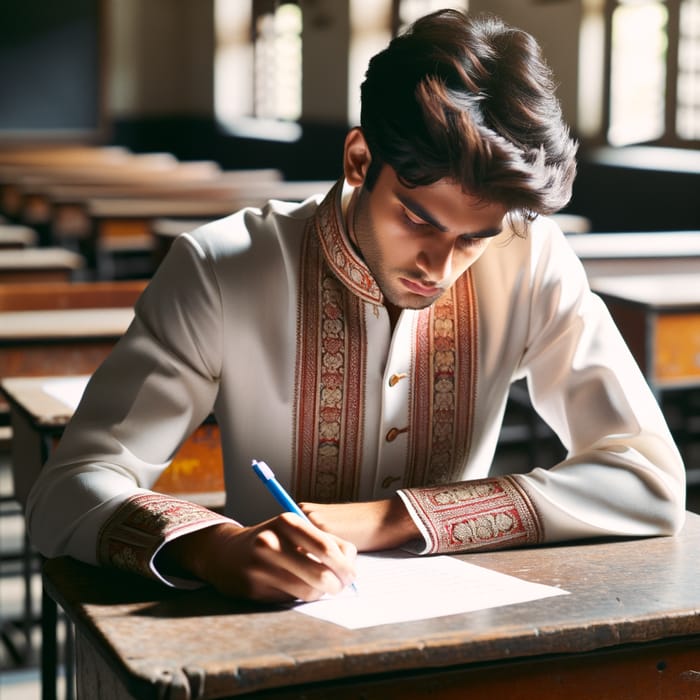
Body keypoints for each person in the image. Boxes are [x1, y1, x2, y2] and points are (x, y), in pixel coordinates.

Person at [27, 9, 685, 603]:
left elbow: (650, 480)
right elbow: (68, 488)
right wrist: (215, 547)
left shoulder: (530, 255)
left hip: (459, 625)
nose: (441, 266)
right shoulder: (221, 267)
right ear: (358, 158)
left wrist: (394, 518)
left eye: (474, 239)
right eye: (419, 219)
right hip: (259, 631)